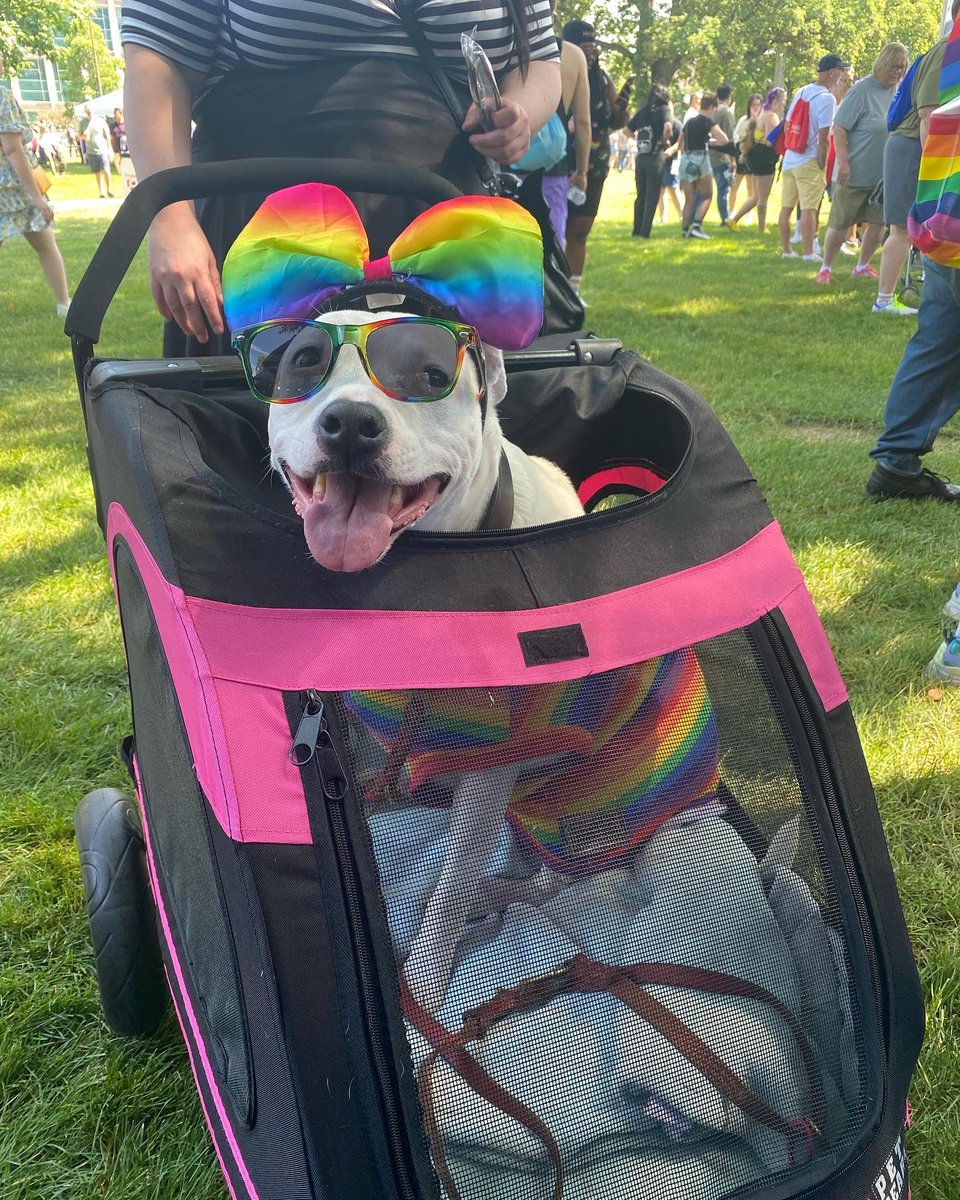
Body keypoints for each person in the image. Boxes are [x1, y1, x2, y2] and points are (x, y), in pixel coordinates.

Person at [122, 0, 562, 355]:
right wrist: (171, 218)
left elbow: (541, 58)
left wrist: (521, 110)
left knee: (442, 439)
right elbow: (158, 61)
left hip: (442, 232)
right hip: (269, 239)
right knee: (248, 428)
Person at [874, 0, 960, 315]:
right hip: (912, 147)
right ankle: (883, 300)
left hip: (916, 148)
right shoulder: (946, 52)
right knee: (900, 228)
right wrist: (933, 169)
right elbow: (928, 115)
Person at [865, 257, 960, 501]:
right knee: (941, 339)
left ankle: (897, 463)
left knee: (941, 340)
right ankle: (897, 460)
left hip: (942, 229)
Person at [815, 43, 908, 287]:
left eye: (902, 67)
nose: (898, 71)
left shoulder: (898, 90)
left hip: (881, 175)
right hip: (853, 172)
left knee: (877, 222)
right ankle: (826, 267)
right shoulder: (862, 90)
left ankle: (862, 265)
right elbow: (840, 127)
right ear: (883, 64)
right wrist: (843, 162)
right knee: (840, 221)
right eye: (895, 66)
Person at [0, 53, 71, 317]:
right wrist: (37, 198)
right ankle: (64, 303)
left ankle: (65, 303)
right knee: (45, 243)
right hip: (14, 187)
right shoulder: (3, 95)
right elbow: (12, 150)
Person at [562, 19, 629, 295]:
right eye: (584, 46)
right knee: (553, 230)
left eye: (593, 47)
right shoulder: (558, 70)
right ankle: (552, 292)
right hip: (561, 161)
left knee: (580, 230)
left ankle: (573, 292)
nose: (590, 53)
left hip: (596, 163)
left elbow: (615, 120)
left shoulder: (603, 79)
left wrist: (623, 105)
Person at [778, 55, 848, 261]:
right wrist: (822, 164)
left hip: (791, 157)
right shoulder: (827, 99)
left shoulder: (802, 91)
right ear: (831, 73)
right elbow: (825, 137)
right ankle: (808, 253)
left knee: (786, 207)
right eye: (840, 72)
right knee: (809, 208)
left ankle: (787, 250)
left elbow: (786, 125)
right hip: (809, 159)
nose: (841, 77)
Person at [676, 92, 730, 239]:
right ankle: (697, 225)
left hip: (686, 159)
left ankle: (685, 230)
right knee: (707, 195)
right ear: (712, 107)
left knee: (689, 198)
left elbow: (680, 144)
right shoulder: (708, 122)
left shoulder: (688, 123)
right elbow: (724, 140)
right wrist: (712, 142)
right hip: (701, 159)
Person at [730, 88, 784, 232]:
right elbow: (769, 140)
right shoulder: (772, 117)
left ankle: (734, 219)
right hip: (765, 158)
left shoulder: (762, 114)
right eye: (782, 101)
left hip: (755, 156)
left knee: (756, 196)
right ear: (776, 101)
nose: (783, 105)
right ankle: (761, 228)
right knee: (763, 197)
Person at [629, 83, 672, 237]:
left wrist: (638, 138)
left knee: (640, 195)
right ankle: (645, 231)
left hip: (641, 156)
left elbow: (627, 131)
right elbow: (668, 127)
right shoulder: (664, 110)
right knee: (652, 195)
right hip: (655, 156)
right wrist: (663, 141)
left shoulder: (642, 112)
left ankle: (636, 229)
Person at [729, 92, 762, 215]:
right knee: (735, 185)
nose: (755, 107)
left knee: (751, 187)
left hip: (754, 156)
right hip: (742, 155)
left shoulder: (762, 120)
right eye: (753, 105)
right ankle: (730, 211)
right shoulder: (743, 120)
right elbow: (736, 136)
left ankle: (748, 213)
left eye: (758, 105)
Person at [709, 83, 737, 225]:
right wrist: (733, 159)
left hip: (710, 155)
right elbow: (730, 138)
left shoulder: (712, 110)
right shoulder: (726, 112)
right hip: (722, 156)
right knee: (723, 189)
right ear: (729, 96)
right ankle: (725, 218)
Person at [658, 100, 683, 223]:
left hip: (673, 161)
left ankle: (683, 214)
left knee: (673, 188)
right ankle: (662, 217)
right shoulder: (660, 124)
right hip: (660, 161)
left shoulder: (677, 124)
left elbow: (680, 143)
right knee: (660, 190)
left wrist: (670, 151)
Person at [83, 107, 114, 198]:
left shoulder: (100, 121)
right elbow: (83, 138)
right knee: (97, 172)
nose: (89, 113)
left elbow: (107, 136)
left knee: (106, 170)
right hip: (91, 151)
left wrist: (109, 148)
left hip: (102, 149)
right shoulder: (84, 123)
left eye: (90, 111)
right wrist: (84, 136)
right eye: (87, 112)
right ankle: (102, 192)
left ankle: (109, 190)